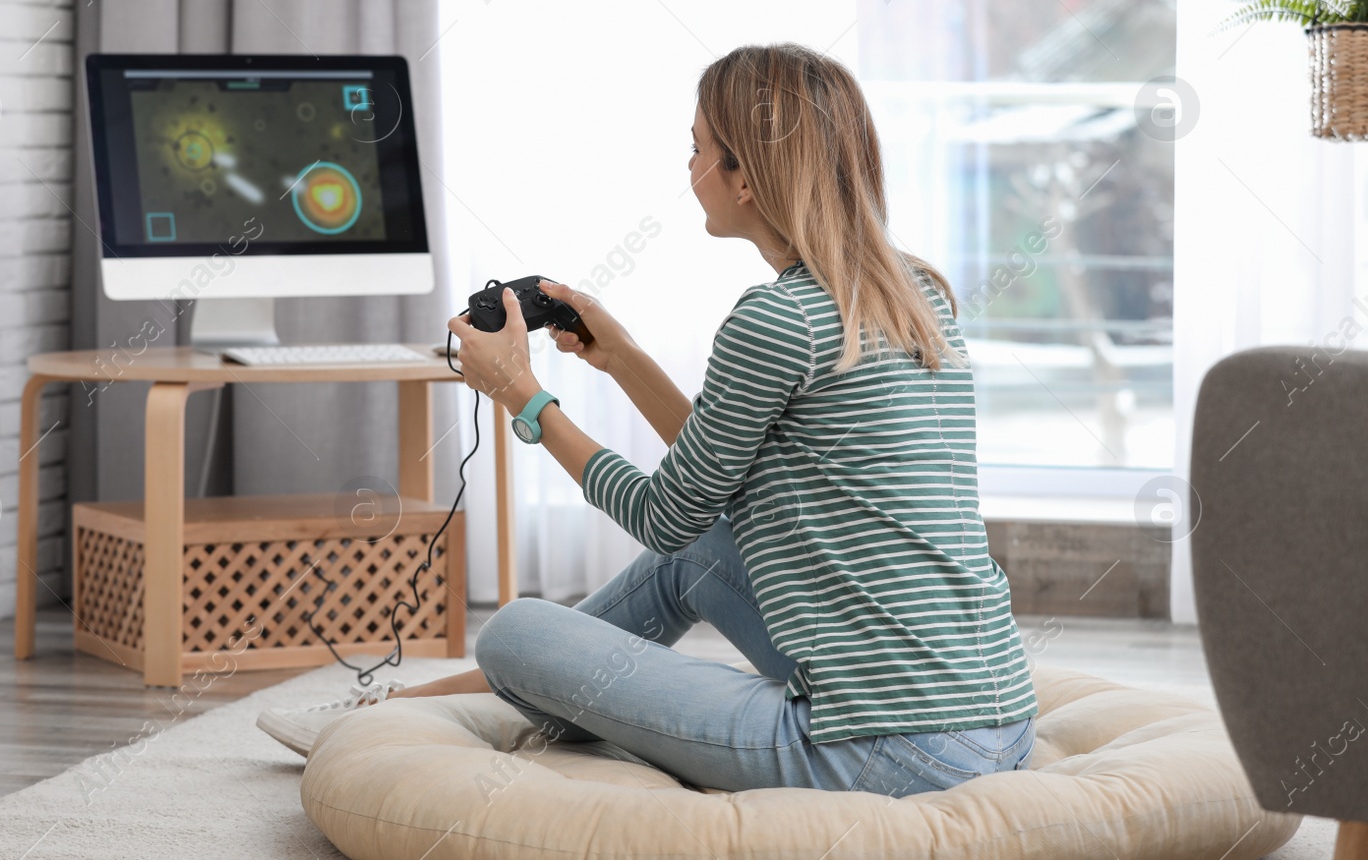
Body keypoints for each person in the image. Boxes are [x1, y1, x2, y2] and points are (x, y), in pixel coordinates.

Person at [258, 42, 1037, 796]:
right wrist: (620, 354)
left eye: (698, 149)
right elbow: (721, 478)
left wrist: (523, 397)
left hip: (879, 750)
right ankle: (410, 707)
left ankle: (490, 688)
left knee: (513, 633)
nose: (689, 169)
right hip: (997, 715)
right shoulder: (916, 292)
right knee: (701, 548)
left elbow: (662, 513)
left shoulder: (775, 319)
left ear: (745, 180)